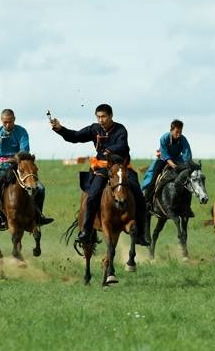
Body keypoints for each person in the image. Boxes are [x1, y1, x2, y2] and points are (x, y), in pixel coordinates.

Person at [50, 103, 150, 246]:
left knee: (139, 196)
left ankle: (140, 233)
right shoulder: (94, 129)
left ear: (110, 116)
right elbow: (75, 136)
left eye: (103, 116)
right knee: (92, 195)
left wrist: (110, 149)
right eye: (98, 117)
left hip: (122, 168)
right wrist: (60, 129)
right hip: (103, 168)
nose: (101, 120)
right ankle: (86, 231)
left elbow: (123, 146)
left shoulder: (121, 130)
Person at [0, 108, 52, 229]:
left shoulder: (22, 132)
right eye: (5, 122)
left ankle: (39, 216)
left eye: (10, 121)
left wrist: (15, 160)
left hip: (19, 167)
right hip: (2, 167)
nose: (7, 124)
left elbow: (24, 150)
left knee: (40, 188)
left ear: (14, 119)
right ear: (1, 121)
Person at [141, 119, 193, 205]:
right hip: (163, 160)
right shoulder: (164, 138)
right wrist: (174, 166)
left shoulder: (183, 139)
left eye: (180, 132)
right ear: (171, 130)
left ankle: (186, 205)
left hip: (177, 159)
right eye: (177, 132)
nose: (179, 134)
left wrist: (187, 165)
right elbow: (165, 155)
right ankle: (147, 198)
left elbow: (187, 154)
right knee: (154, 174)